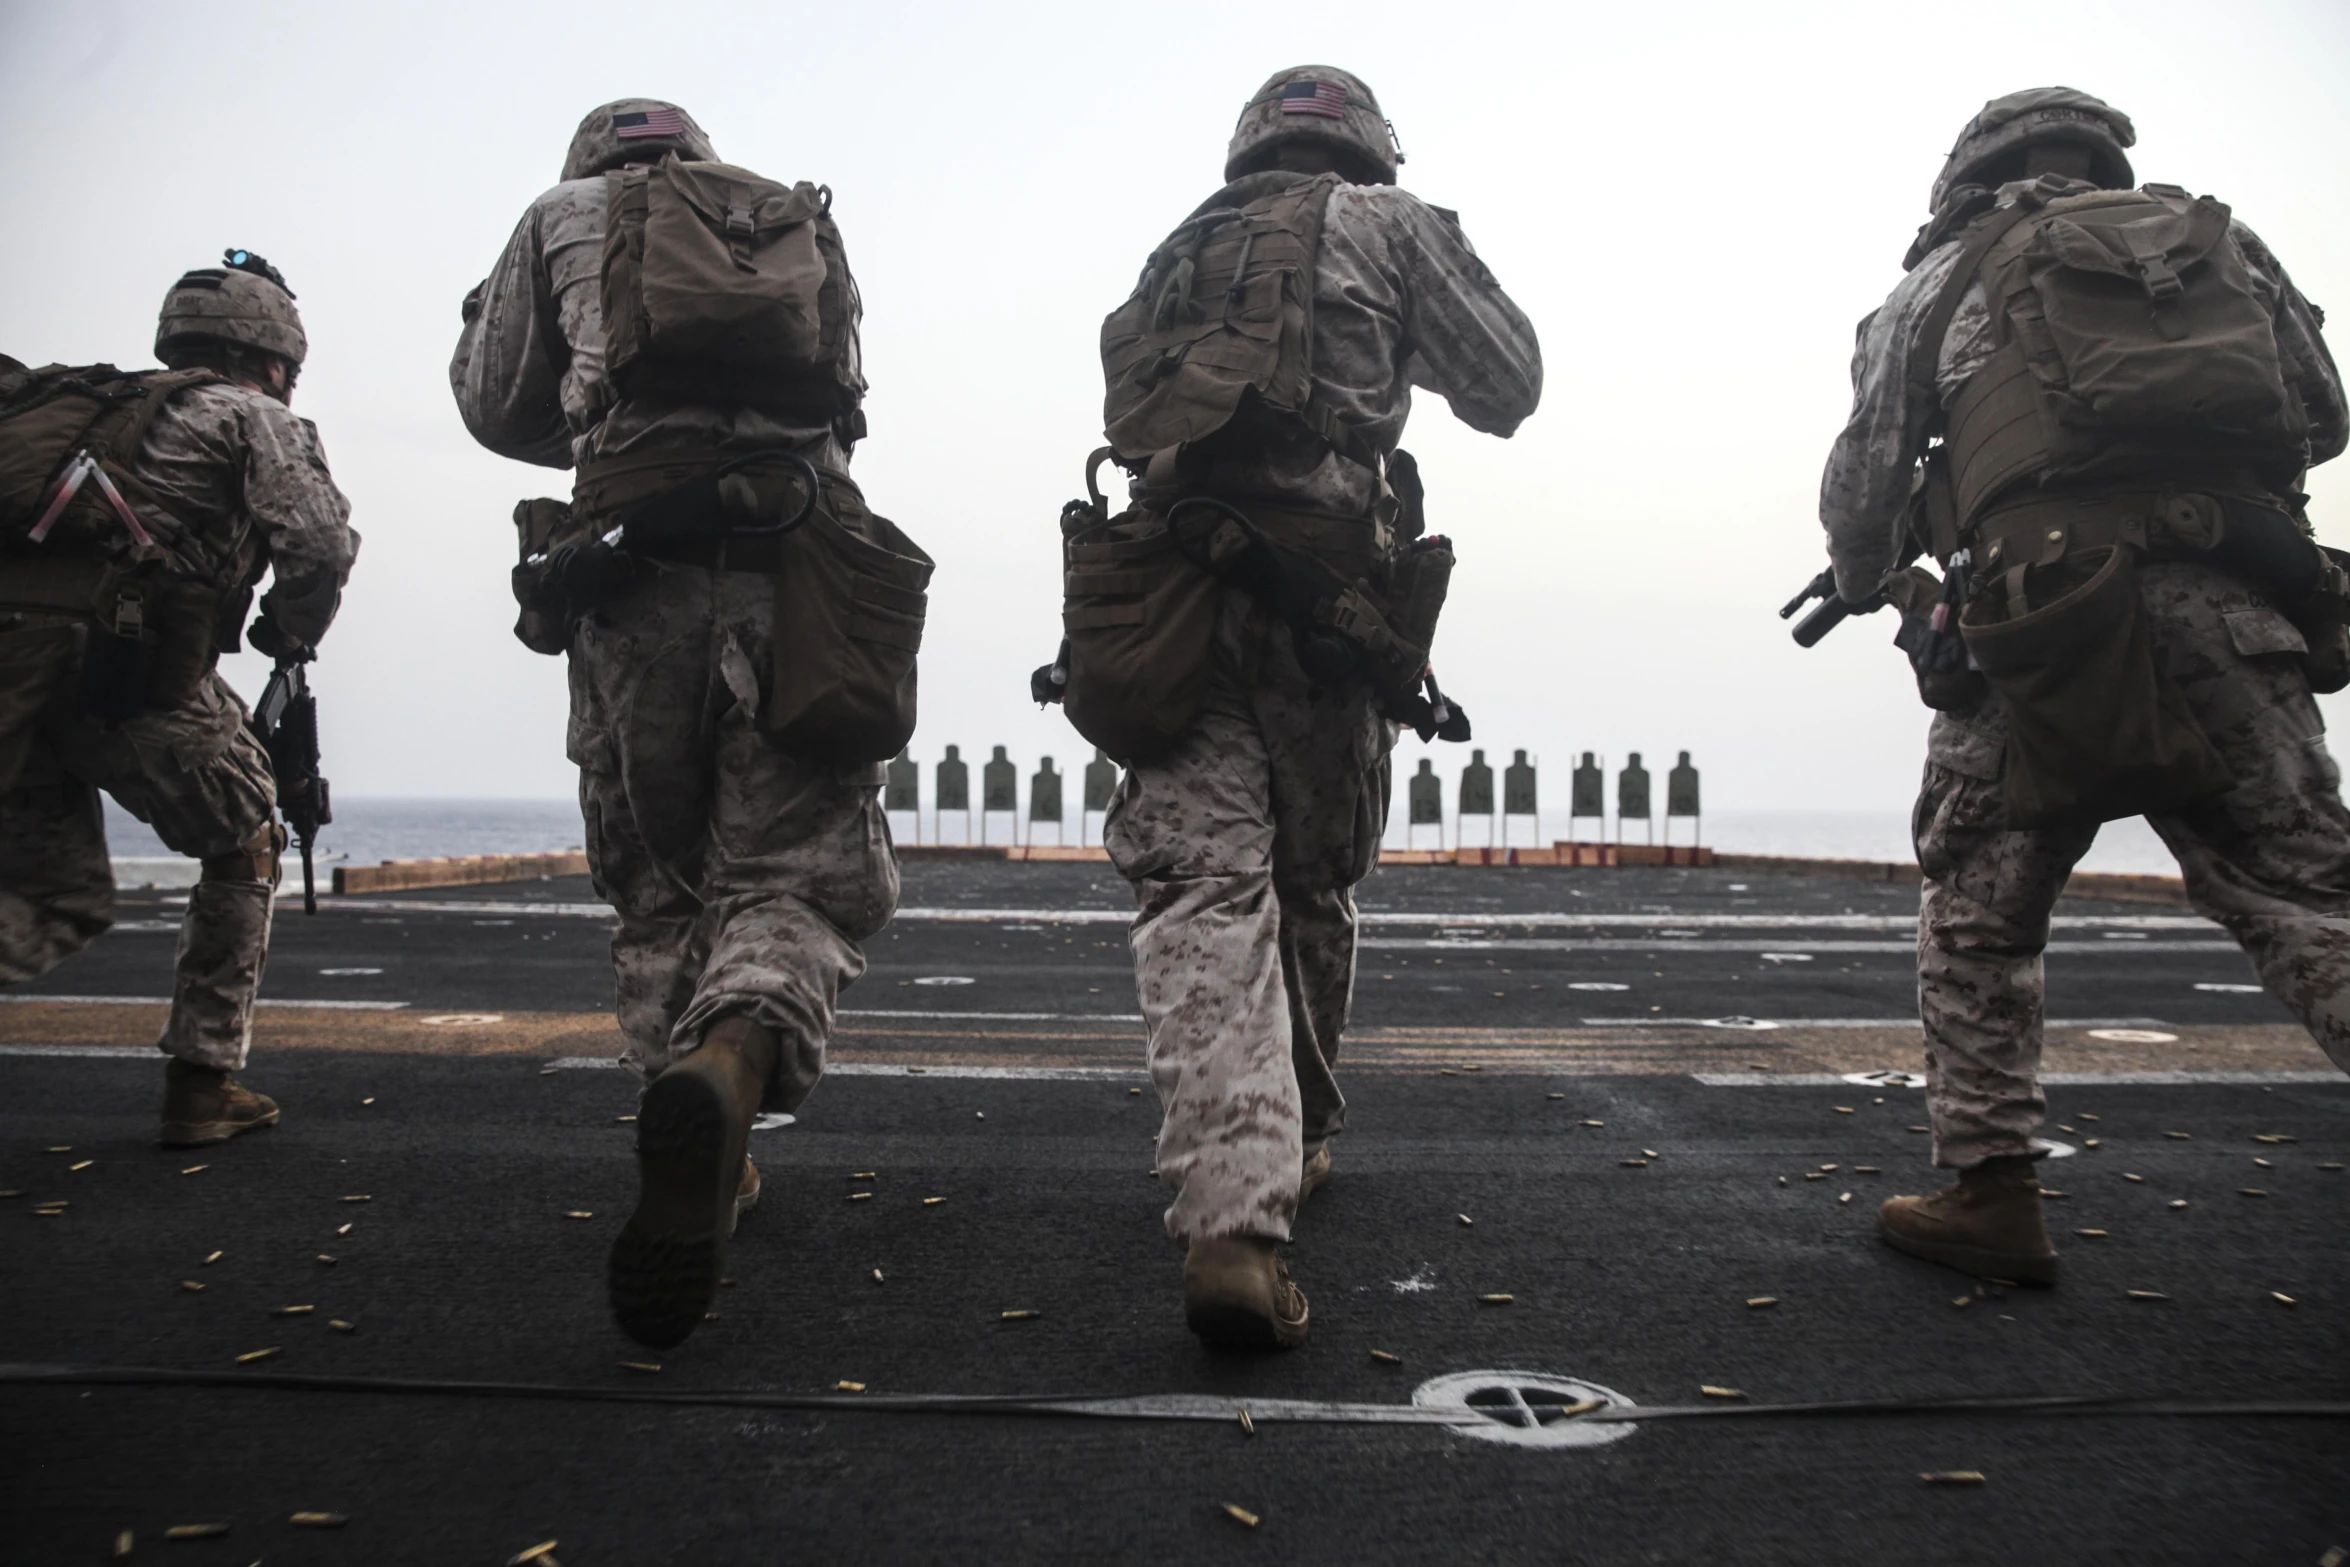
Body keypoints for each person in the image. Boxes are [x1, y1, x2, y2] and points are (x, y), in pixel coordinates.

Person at [1816, 87, 2349, 1284]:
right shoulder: (2220, 246)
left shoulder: (1938, 284)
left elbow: (1861, 484)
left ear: (1962, 181)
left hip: (2042, 629)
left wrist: (1868, 574)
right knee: (2311, 904)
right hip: (2233, 606)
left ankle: (1991, 1194)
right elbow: (2320, 417)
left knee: (1978, 912)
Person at [453, 100, 923, 1349]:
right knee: (798, 874)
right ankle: (734, 1054)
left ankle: (697, 1107)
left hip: (632, 572)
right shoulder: (797, 217)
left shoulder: (559, 217)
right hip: (800, 571)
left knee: (660, 886)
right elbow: (849, 388)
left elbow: (498, 407)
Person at [1084, 66, 1540, 1348]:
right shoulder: (1388, 223)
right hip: (1321, 595)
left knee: (1200, 889)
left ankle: (1236, 1204)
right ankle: (1296, 1150)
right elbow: (1507, 383)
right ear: (1368, 154)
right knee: (1314, 879)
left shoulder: (1180, 246)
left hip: (1168, 592)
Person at [0, 250, 359, 1146]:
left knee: (55, 895)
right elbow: (319, 543)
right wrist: (290, 627)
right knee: (244, 838)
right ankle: (203, 1082)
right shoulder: (251, 417)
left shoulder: (92, 414)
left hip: (15, 670)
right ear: (275, 356)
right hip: (126, 673)